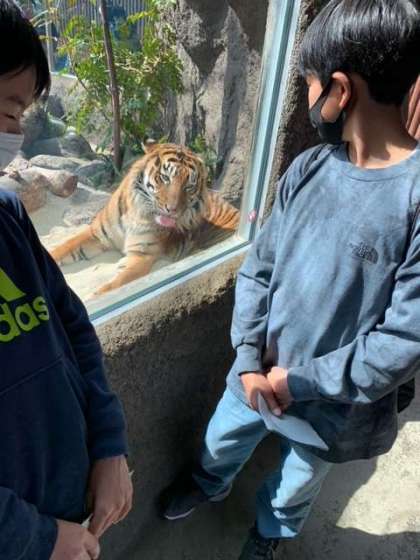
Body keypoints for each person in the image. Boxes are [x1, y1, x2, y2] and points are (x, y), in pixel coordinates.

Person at [161, 1, 420, 558]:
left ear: (340, 90)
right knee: (220, 442)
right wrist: (247, 358)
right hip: (254, 377)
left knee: (295, 488)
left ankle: (268, 535)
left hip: (334, 409)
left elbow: (403, 341)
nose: (308, 100)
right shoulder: (307, 168)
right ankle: (208, 483)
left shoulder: (413, 199)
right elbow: (259, 267)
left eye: (308, 85)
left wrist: (296, 383)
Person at [0, 2, 133, 558]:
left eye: (19, 116)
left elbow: (75, 327)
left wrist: (109, 445)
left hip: (72, 510)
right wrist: (40, 539)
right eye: (8, 110)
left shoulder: (9, 214)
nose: (14, 134)